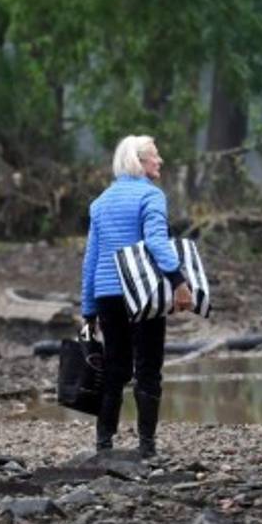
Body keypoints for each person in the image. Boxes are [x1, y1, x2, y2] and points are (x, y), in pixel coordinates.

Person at [81, 136, 192, 458]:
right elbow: (157, 243)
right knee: (147, 368)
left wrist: (88, 311)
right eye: (155, 156)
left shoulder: (100, 202)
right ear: (140, 162)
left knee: (115, 369)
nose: (160, 162)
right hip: (142, 294)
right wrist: (178, 281)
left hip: (107, 294)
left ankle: (103, 444)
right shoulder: (150, 195)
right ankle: (146, 446)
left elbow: (91, 259)